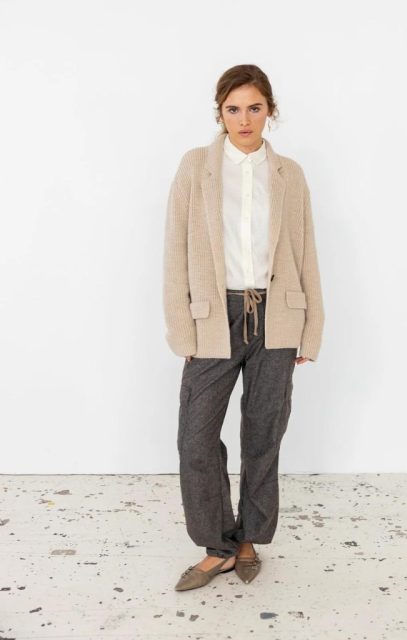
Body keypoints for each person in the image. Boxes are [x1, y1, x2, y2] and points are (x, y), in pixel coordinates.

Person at [162, 64, 325, 591]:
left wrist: (311, 329)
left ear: (270, 111)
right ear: (220, 113)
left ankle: (251, 538)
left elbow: (305, 252)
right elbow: (175, 250)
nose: (244, 119)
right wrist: (182, 329)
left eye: (255, 108)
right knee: (196, 438)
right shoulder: (196, 167)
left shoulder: (289, 174)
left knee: (263, 434)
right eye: (233, 109)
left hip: (277, 317)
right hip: (214, 318)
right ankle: (219, 545)